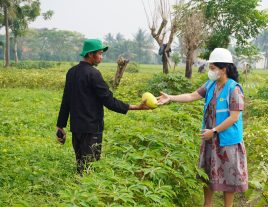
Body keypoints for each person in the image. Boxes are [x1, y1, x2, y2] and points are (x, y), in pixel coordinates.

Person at [157, 48, 248, 207]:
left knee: (229, 177)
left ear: (224, 69)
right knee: (208, 175)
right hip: (210, 139)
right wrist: (170, 98)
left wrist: (214, 131)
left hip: (227, 141)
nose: (210, 71)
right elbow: (192, 96)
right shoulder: (211, 85)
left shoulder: (234, 89)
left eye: (213, 68)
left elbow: (234, 117)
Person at [56, 39, 150, 174]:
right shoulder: (93, 74)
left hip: (77, 128)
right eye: (99, 54)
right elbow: (109, 101)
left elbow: (66, 100)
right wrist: (136, 107)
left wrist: (60, 126)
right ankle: (86, 193)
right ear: (90, 54)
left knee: (81, 165)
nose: (101, 57)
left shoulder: (71, 72)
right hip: (92, 129)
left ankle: (78, 190)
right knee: (90, 168)